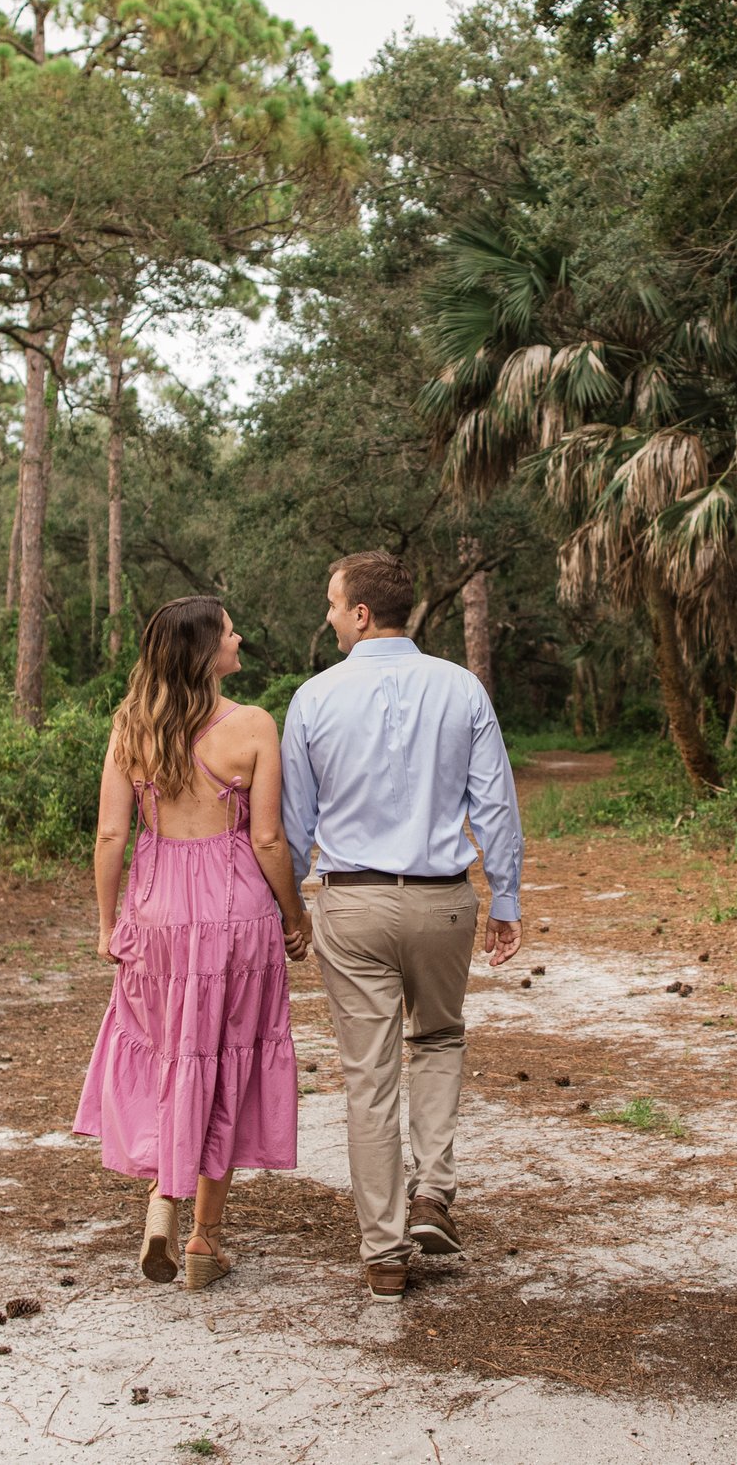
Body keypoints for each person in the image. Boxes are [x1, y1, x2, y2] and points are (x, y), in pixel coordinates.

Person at [280, 550, 525, 1303]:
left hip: (350, 905)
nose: (327, 616)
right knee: (441, 1037)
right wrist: (507, 898)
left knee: (369, 1075)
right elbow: (495, 805)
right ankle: (432, 1197)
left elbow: (293, 826)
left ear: (360, 613)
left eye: (331, 603)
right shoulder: (461, 689)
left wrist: (291, 908)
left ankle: (384, 1252)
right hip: (443, 898)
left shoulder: (313, 698)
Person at [74, 595, 311, 1292]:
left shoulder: (130, 728)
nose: (241, 635)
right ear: (207, 652)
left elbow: (112, 834)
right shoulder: (254, 726)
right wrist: (294, 915)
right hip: (236, 910)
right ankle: (205, 1236)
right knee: (226, 1054)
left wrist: (105, 921)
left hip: (156, 909)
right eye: (231, 630)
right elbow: (266, 837)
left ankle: (160, 1203)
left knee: (169, 1053)